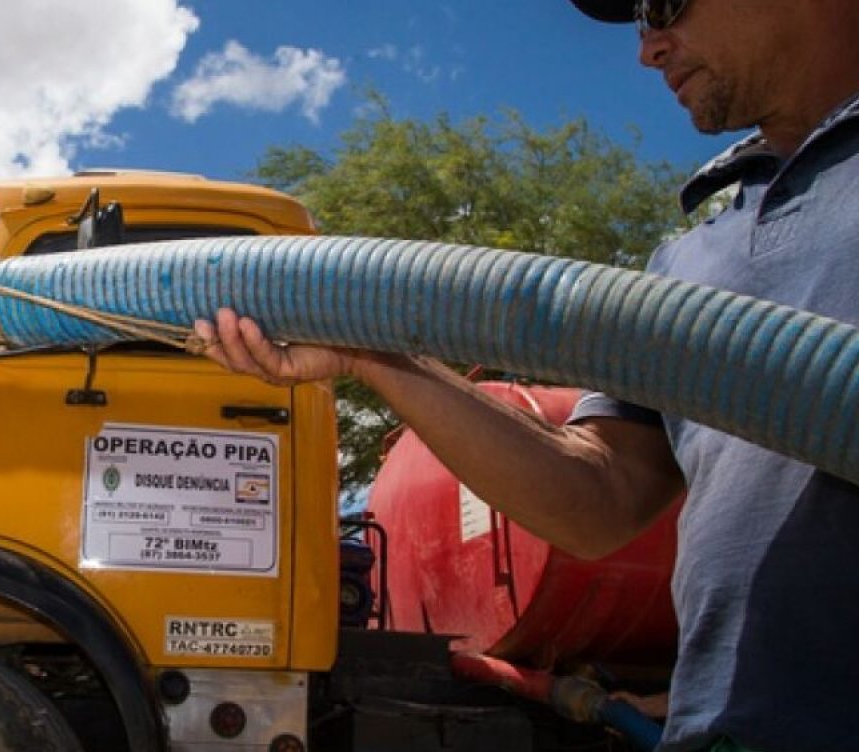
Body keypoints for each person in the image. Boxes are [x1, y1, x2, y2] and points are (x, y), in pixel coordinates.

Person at [194, 0, 859, 750]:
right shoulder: (694, 260)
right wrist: (370, 353)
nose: (649, 49)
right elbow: (597, 499)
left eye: (663, 4)